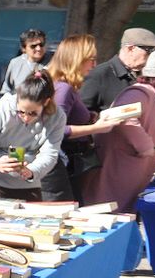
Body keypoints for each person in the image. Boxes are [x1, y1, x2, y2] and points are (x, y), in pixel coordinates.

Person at [82, 49, 155, 212]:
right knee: (108, 222)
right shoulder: (140, 92)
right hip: (115, 176)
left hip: (133, 178)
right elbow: (122, 115)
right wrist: (145, 147)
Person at [41, 34, 140, 201]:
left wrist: (93, 117)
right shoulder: (63, 89)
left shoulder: (64, 85)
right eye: (91, 59)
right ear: (76, 59)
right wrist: (97, 128)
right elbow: (56, 130)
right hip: (64, 165)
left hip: (67, 164)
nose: (94, 64)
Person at [0, 71, 67, 201]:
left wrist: (32, 171)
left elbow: (50, 154)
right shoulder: (4, 108)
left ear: (46, 102)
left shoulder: (57, 117)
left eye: (33, 113)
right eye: (20, 112)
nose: (26, 118)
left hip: (27, 182)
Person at [82, 26, 155, 113]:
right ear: (131, 49)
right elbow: (82, 113)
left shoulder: (148, 75)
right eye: (149, 51)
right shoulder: (99, 75)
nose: (152, 55)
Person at [1, 29, 47, 94]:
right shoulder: (15, 63)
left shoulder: (52, 63)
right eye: (33, 46)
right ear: (24, 48)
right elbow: (6, 89)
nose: (38, 48)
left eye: (41, 44)